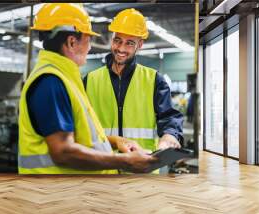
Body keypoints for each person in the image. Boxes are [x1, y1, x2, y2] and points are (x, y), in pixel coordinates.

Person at [18, 3, 157, 174]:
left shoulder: (64, 79)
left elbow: (80, 137)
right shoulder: (51, 82)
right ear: (71, 42)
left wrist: (115, 141)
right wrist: (125, 161)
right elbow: (63, 152)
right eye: (88, 39)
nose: (90, 47)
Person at [85, 8, 184, 155]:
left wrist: (170, 135)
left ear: (140, 44)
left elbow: (169, 117)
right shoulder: (90, 80)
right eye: (117, 40)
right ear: (112, 39)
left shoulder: (154, 80)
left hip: (141, 168)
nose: (121, 48)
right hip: (103, 167)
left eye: (129, 43)